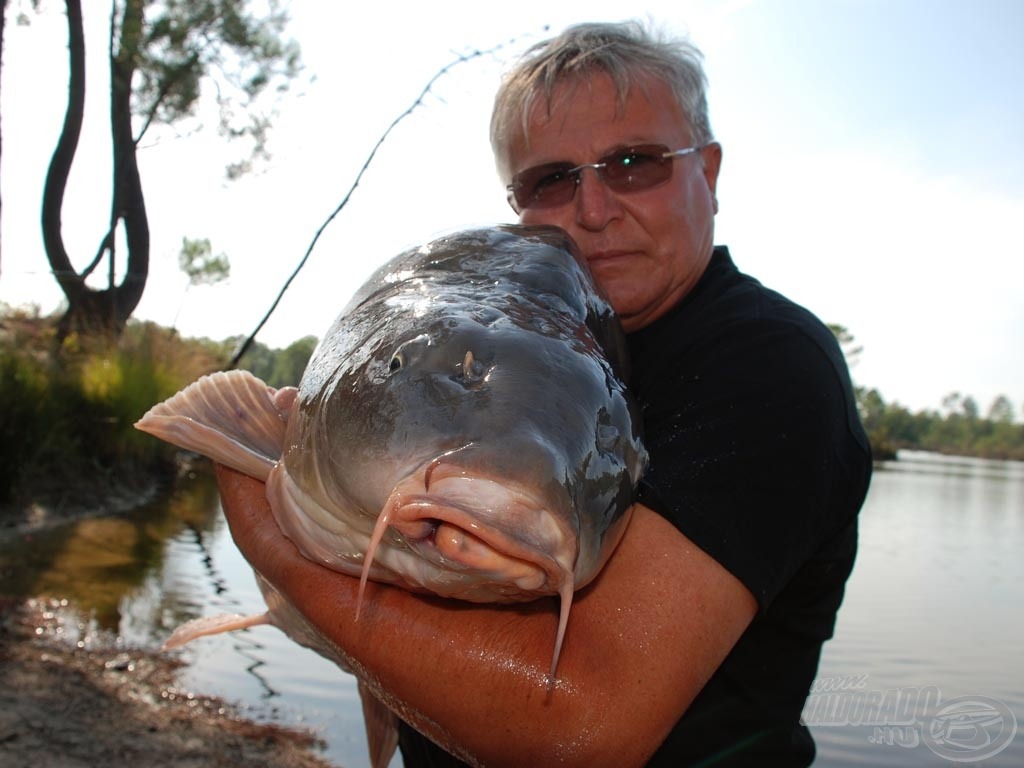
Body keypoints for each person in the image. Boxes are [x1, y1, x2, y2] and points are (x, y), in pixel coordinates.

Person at [216, 21, 872, 767]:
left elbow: (578, 731)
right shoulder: (514, 327)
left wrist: (273, 538)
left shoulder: (771, 364)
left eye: (635, 163)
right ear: (516, 202)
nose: (594, 209)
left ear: (710, 174)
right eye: (551, 179)